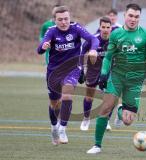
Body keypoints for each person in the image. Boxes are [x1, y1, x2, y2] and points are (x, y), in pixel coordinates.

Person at [86, 3, 146, 154]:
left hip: (135, 81)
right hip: (117, 76)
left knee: (127, 121)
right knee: (105, 108)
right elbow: (108, 57)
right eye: (131, 16)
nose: (133, 19)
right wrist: (103, 74)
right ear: (125, 16)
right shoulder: (116, 34)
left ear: (140, 18)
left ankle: (120, 110)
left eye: (137, 17)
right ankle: (97, 145)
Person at [37, 6, 99, 145]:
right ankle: (54, 127)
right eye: (60, 20)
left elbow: (93, 39)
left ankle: (63, 128)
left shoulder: (76, 28)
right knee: (54, 103)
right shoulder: (51, 31)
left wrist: (93, 50)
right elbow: (39, 50)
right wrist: (43, 46)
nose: (64, 22)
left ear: (69, 18)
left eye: (66, 19)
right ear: (55, 20)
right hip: (54, 72)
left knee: (67, 94)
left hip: (72, 68)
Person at [80, 17, 112, 131]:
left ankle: (106, 120)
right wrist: (81, 69)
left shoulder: (114, 40)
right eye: (103, 27)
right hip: (93, 70)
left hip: (108, 70)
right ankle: (86, 118)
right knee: (89, 97)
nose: (105, 29)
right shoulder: (93, 39)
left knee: (110, 97)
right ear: (99, 27)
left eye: (108, 27)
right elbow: (82, 51)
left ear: (111, 28)